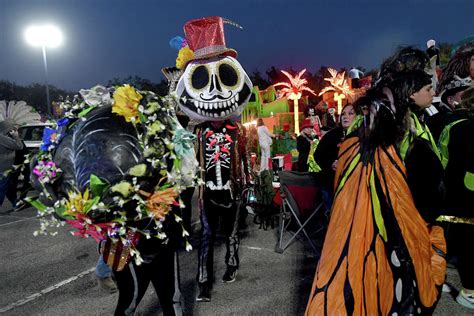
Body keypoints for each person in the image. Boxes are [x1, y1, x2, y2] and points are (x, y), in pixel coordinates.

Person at [306, 49, 446, 315]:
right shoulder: (405, 141)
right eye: (428, 87)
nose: (432, 93)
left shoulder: (360, 138)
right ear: (411, 94)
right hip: (397, 244)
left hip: (371, 245)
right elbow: (430, 198)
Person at [437, 87, 474, 310]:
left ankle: (441, 281)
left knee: (456, 243)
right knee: (470, 246)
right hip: (468, 194)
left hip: (451, 192)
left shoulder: (450, 125)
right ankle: (469, 292)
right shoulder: (469, 128)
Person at [313, 103, 356, 209]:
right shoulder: (332, 135)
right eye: (343, 114)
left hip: (355, 184)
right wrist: (331, 163)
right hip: (332, 182)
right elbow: (318, 154)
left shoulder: (363, 135)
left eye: (350, 114)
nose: (346, 116)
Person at [0, 119, 24, 207]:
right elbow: (19, 146)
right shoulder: (3, 138)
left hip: (5, 166)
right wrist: (16, 136)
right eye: (11, 129)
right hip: (4, 167)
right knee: (2, 187)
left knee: (9, 186)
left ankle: (15, 203)